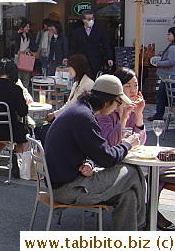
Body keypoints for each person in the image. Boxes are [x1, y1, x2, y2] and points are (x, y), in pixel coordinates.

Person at [44, 75, 145, 231]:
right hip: (68, 188)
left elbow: (90, 150)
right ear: (106, 102)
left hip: (62, 182)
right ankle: (143, 227)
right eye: (118, 102)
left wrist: (88, 162)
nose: (118, 106)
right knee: (132, 171)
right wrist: (127, 144)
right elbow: (106, 158)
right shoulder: (84, 117)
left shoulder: (78, 109)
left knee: (128, 195)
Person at [96, 67, 175, 230]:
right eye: (128, 86)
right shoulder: (106, 110)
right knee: (138, 175)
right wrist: (123, 119)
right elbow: (110, 142)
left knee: (155, 173)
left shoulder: (132, 108)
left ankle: (147, 214)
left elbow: (140, 141)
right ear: (118, 88)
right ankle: (146, 216)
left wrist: (138, 114)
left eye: (136, 85)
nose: (133, 90)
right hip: (107, 162)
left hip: (125, 156)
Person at [0, 59, 29, 178]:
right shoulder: (15, 89)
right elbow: (23, 112)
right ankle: (16, 158)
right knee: (26, 133)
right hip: (10, 130)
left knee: (4, 134)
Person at [46, 53, 94, 122]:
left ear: (77, 67)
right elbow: (69, 103)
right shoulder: (76, 83)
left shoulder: (88, 84)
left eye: (70, 67)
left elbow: (74, 104)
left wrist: (54, 115)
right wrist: (55, 114)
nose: (69, 70)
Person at [68, 10, 113, 78]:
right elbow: (74, 47)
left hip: (95, 61)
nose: (91, 21)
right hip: (82, 62)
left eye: (92, 18)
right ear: (83, 20)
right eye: (89, 19)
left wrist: (109, 58)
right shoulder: (77, 32)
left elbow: (105, 45)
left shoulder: (99, 30)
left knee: (94, 80)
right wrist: (69, 58)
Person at [149, 26, 175, 121]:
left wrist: (158, 63)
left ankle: (158, 115)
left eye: (170, 34)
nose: (168, 36)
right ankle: (158, 115)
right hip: (167, 77)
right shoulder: (171, 46)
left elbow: (170, 62)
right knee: (162, 97)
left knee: (162, 97)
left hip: (169, 77)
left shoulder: (173, 48)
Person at [10, 20, 36, 88]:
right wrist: (18, 32)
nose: (28, 28)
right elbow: (11, 38)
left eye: (29, 27)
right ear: (23, 27)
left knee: (27, 74)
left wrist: (29, 49)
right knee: (18, 73)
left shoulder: (30, 36)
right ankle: (18, 89)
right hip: (18, 55)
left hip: (27, 56)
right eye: (26, 27)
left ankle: (25, 89)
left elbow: (33, 45)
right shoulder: (18, 35)